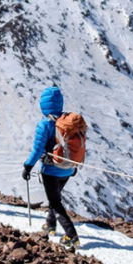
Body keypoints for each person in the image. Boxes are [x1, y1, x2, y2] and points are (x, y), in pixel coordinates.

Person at [22, 86, 79, 252]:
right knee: (55, 197)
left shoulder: (45, 125)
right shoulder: (69, 122)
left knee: (55, 201)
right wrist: (75, 165)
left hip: (51, 171)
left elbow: (38, 149)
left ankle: (71, 235)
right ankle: (50, 224)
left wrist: (28, 166)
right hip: (68, 169)